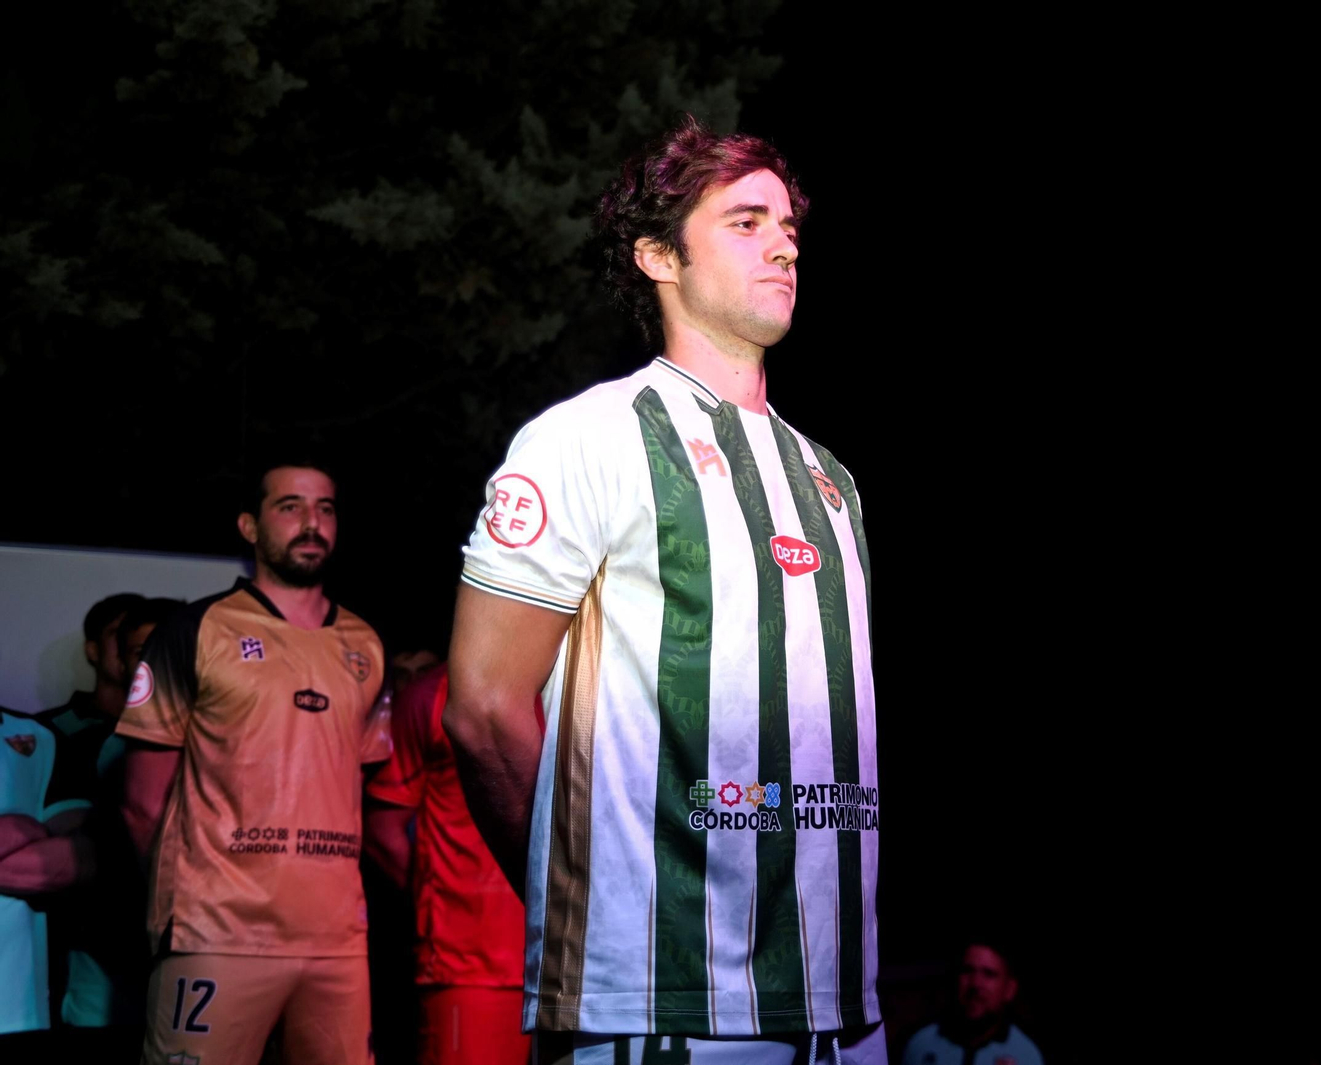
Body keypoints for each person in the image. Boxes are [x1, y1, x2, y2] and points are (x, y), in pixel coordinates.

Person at [445, 115, 882, 1064]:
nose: (783, 242)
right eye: (745, 220)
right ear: (658, 256)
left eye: (789, 226)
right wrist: (586, 888)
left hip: (844, 1009)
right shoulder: (587, 438)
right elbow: (481, 710)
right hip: (655, 1003)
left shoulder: (830, 478)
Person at [117, 460, 391, 1065]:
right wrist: (186, 903)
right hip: (217, 933)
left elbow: (357, 791)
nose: (311, 523)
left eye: (325, 508)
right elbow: (142, 803)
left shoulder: (365, 644)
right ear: (249, 525)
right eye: (290, 507)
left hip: (337, 941)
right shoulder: (194, 630)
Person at [364, 662, 535, 1064]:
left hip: (581, 968)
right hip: (472, 964)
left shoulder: (585, 685)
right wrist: (440, 901)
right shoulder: (436, 693)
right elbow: (383, 832)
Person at [46, 596, 187, 1056]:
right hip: (109, 964)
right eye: (138, 651)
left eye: (162, 647)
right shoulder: (101, 746)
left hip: (200, 956)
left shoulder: (233, 737)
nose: (151, 661)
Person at [1, 703, 94, 1039]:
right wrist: (24, 829)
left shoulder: (41, 737)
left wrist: (23, 830)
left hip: (18, 1009)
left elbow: (76, 860)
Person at [899, 942, 1043, 1065]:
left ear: (1010, 989)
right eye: (967, 971)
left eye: (989, 974)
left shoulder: (1026, 1055)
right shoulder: (920, 1045)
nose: (975, 984)